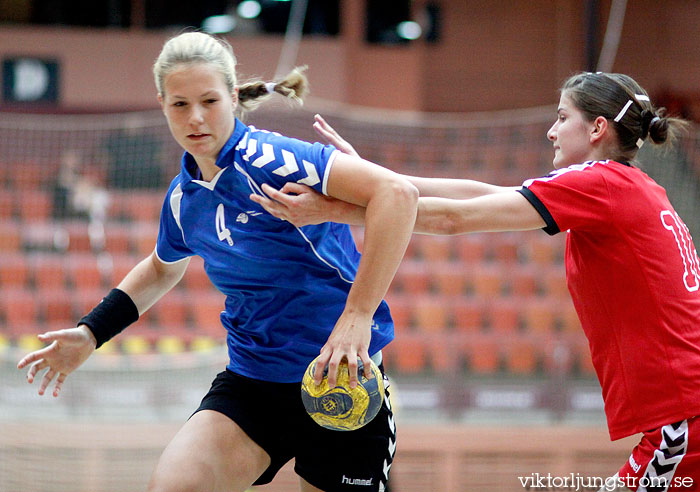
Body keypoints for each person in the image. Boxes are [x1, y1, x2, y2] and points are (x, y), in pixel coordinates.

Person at [251, 73, 700, 492]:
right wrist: (381, 184)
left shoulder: (600, 183)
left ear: (598, 127)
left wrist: (337, 208)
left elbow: (451, 218)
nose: (551, 131)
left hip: (684, 416)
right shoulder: (630, 187)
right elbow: (484, 193)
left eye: (562, 118)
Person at [17, 31, 418, 492]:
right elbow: (161, 268)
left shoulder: (276, 159)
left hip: (340, 378)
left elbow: (397, 194)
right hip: (253, 384)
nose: (196, 117)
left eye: (209, 100)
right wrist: (92, 332)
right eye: (180, 105)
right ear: (162, 105)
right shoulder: (183, 198)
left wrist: (357, 316)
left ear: (232, 97)